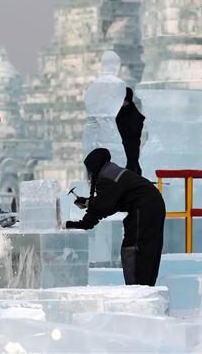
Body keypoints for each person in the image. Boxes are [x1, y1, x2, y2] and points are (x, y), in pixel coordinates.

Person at [65, 148, 166, 286]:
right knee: (148, 247)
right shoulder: (112, 171)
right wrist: (89, 202)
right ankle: (146, 287)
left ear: (93, 167)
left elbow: (102, 206)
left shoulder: (108, 178)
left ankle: (138, 289)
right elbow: (112, 201)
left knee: (134, 247)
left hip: (144, 208)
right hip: (153, 206)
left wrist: (78, 224)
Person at [115, 87, 145, 175]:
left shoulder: (133, 114)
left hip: (130, 146)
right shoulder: (122, 111)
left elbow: (131, 131)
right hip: (124, 146)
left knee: (131, 167)